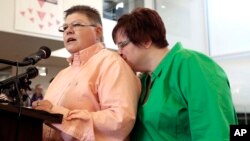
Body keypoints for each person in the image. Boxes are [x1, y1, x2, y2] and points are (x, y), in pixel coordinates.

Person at [112, 7, 238, 141]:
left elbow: (216, 132)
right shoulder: (142, 80)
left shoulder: (191, 65)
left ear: (146, 40)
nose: (119, 53)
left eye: (122, 45)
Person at [32, 5, 141, 141]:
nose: (68, 31)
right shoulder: (62, 74)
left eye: (76, 25)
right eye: (64, 28)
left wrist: (60, 115)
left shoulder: (112, 63)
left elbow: (119, 120)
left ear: (98, 31)